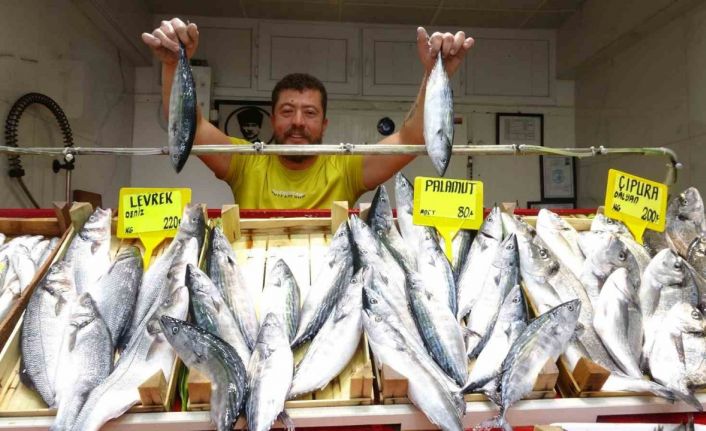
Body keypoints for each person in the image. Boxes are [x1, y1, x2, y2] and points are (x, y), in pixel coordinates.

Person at [142, 18, 474, 209]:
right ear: (273, 119)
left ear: (324, 123)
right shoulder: (245, 161)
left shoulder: (345, 166)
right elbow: (193, 126)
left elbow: (412, 138)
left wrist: (434, 73)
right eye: (287, 111)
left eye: (310, 112)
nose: (298, 121)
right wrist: (173, 63)